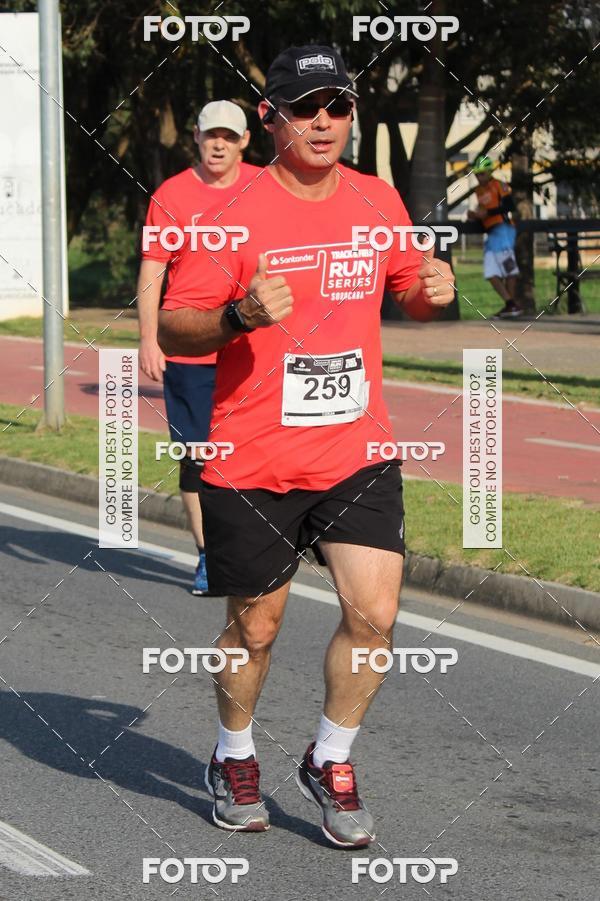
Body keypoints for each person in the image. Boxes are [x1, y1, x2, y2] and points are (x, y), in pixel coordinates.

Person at [158, 45, 454, 847]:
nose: (324, 122)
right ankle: (234, 753)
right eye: (305, 107)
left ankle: (331, 758)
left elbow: (406, 288)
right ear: (272, 118)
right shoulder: (231, 212)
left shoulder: (376, 198)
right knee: (256, 628)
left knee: (378, 612)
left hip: (356, 451)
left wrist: (432, 294)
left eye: (338, 106)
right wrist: (239, 316)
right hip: (251, 458)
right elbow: (173, 324)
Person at [137, 101, 261, 594]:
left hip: (251, 346)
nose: (219, 144)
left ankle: (257, 545)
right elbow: (152, 271)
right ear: (196, 136)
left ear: (244, 141)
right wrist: (149, 339)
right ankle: (210, 555)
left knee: (252, 452)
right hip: (189, 348)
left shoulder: (264, 187)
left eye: (229, 137)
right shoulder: (172, 195)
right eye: (212, 135)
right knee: (198, 457)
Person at [468, 154, 522, 318]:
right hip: (491, 233)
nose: (479, 177)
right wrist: (476, 214)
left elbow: (510, 206)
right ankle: (510, 304)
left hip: (503, 230)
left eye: (482, 173)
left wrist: (487, 213)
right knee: (490, 272)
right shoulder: (478, 190)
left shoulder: (499, 185)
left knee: (509, 270)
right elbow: (482, 209)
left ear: (490, 172)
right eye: (477, 174)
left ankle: (511, 306)